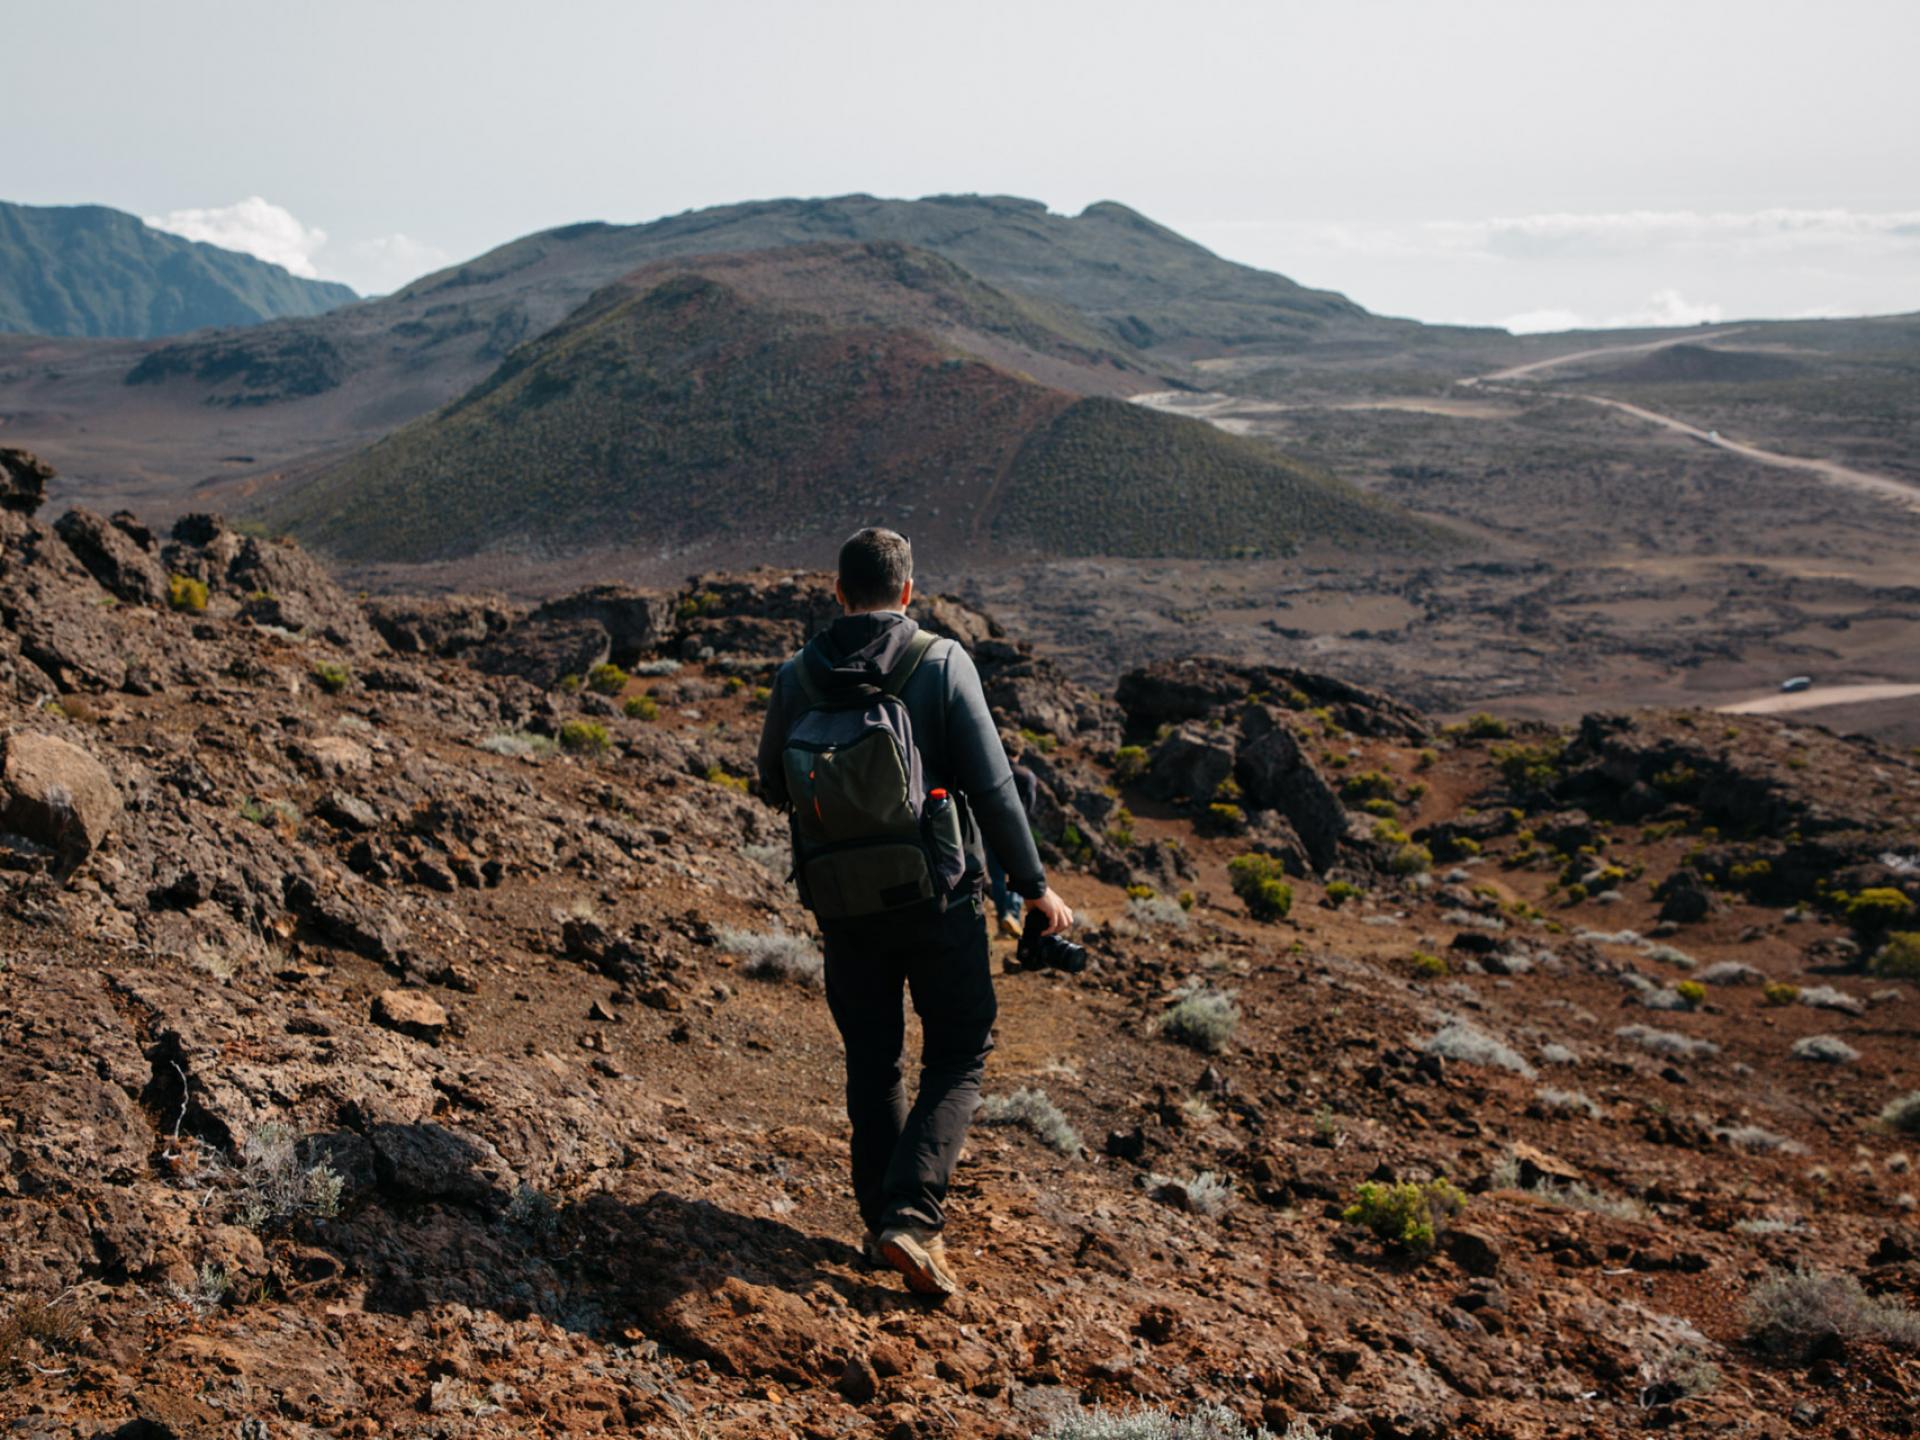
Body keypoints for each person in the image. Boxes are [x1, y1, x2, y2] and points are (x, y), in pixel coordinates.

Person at [756, 527, 1072, 1300]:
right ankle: (911, 1216)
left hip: (842, 905)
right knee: (960, 1050)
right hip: (939, 897)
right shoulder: (940, 661)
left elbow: (771, 783)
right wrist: (1034, 888)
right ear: (908, 592)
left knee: (874, 1059)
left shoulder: (797, 674)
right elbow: (996, 788)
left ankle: (882, 1224)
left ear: (838, 592)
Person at [986, 730, 1041, 940]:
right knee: (1018, 876)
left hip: (992, 832)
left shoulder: (990, 772)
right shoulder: (1027, 776)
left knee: (998, 879)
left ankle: (1003, 920)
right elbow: (1029, 808)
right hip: (1018, 834)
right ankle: (1013, 916)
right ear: (1019, 751)